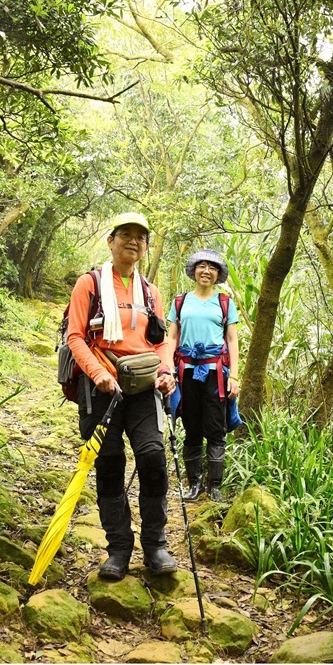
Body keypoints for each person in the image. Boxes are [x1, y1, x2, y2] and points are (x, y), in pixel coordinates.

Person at [66, 212, 177, 580]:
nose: (133, 241)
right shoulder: (90, 284)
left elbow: (159, 342)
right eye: (125, 235)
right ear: (111, 241)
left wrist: (165, 372)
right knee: (110, 464)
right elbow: (75, 337)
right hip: (100, 388)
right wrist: (97, 373)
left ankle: (155, 545)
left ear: (145, 247)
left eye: (140, 237)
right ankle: (119, 548)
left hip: (142, 388)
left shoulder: (151, 292)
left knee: (153, 458)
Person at [165, 249, 240, 502]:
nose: (206, 271)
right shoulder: (180, 301)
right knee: (192, 426)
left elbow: (232, 340)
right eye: (202, 266)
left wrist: (235, 377)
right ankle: (194, 484)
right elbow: (172, 337)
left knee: (216, 428)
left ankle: (214, 486)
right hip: (186, 372)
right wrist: (168, 369)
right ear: (194, 271)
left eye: (212, 267)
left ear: (218, 274)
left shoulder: (225, 302)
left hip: (214, 372)